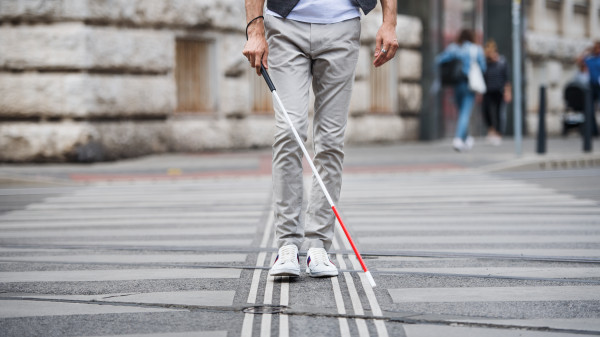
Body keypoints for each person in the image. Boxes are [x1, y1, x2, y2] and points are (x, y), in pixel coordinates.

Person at [243, 0, 399, 278]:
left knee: (330, 140)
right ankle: (287, 244)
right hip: (285, 24)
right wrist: (255, 30)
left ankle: (318, 246)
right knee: (290, 131)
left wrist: (389, 22)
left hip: (342, 26)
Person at [437, 29, 486, 152]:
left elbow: (439, 60)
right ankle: (458, 139)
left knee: (461, 112)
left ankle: (466, 138)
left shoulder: (453, 48)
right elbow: (483, 67)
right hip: (469, 85)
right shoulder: (475, 49)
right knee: (465, 112)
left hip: (456, 84)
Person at [482, 40, 511, 146]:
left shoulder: (502, 61)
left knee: (499, 113)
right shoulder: (485, 62)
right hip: (487, 90)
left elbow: (506, 78)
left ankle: (498, 134)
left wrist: (508, 92)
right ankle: (491, 130)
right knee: (486, 112)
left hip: (499, 90)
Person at [581, 41, 600, 136]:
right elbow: (579, 60)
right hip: (592, 86)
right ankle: (594, 131)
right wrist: (586, 50)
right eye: (595, 48)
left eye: (598, 48)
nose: (597, 50)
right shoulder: (590, 59)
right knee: (590, 109)